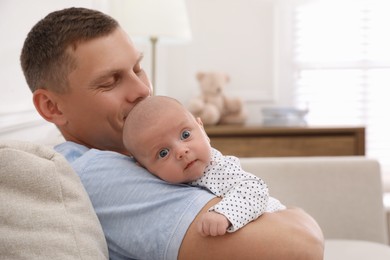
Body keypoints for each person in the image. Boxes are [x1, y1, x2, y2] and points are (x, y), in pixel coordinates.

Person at [20, 7, 324, 260]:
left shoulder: (134, 155)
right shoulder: (99, 175)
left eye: (137, 69)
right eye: (110, 82)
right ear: (52, 107)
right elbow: (300, 245)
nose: (142, 90)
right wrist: (297, 215)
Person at [123, 95, 286, 236]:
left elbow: (256, 189)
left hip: (279, 225)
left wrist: (224, 214)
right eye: (163, 153)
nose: (181, 151)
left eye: (185, 135)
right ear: (145, 169)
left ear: (202, 129)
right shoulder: (161, 188)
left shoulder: (217, 167)